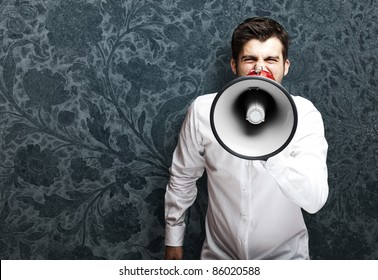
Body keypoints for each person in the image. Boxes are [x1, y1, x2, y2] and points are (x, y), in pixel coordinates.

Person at [164, 17, 329, 260]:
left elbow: (314, 200)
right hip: (220, 260)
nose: (260, 68)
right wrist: (173, 240)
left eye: (271, 59)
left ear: (286, 66)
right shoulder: (203, 111)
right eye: (250, 59)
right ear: (234, 65)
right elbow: (183, 176)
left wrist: (271, 148)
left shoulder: (304, 115)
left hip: (286, 261)